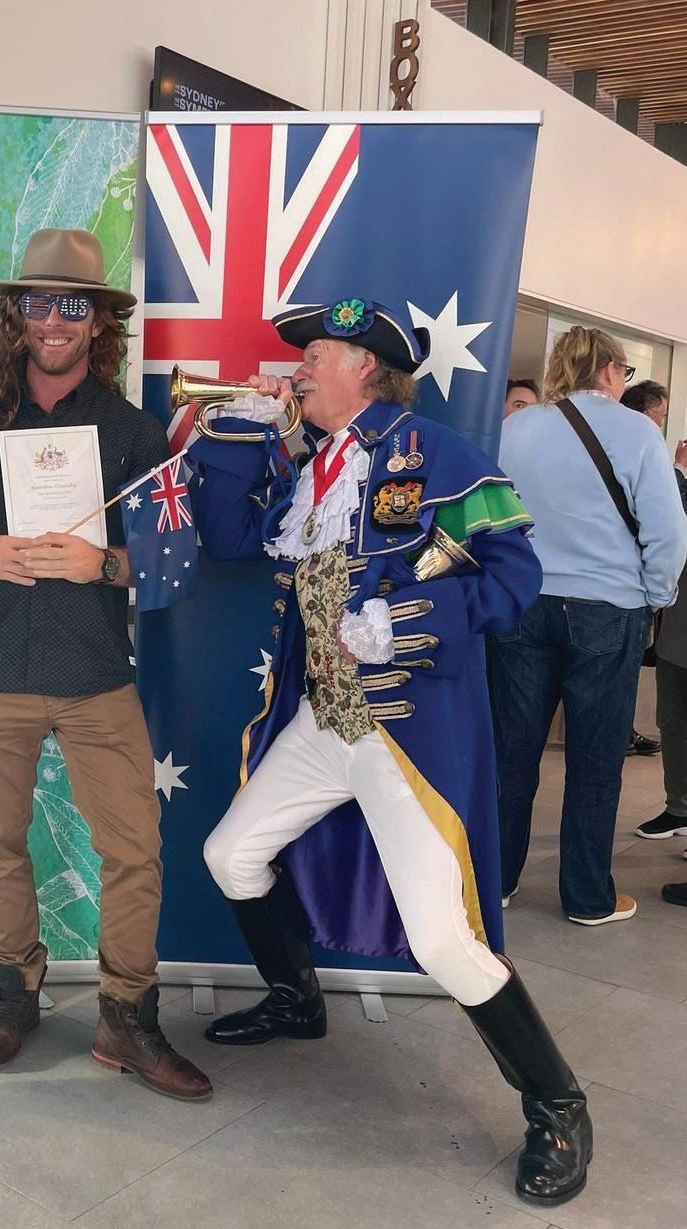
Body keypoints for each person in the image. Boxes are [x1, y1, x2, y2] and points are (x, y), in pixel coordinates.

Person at [186, 297, 592, 1209]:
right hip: (322, 718)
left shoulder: (436, 453)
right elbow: (226, 536)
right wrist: (240, 433)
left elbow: (515, 575)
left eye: (315, 355)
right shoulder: (309, 466)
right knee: (229, 854)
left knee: (443, 940)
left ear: (365, 367)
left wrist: (405, 618)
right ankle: (298, 999)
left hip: (403, 729)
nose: (297, 369)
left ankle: (557, 1103)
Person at [0, 228, 211, 1102]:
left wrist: (102, 563)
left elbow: (173, 558)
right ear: (16, 314)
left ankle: (126, 1018)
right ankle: (15, 995)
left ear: (98, 322)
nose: (54, 320)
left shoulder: (133, 432)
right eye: (38, 302)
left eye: (72, 304)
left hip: (95, 676)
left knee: (135, 852)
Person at [492, 327, 687, 925]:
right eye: (624, 372)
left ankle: (495, 882)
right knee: (596, 762)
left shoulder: (516, 429)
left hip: (524, 602)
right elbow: (668, 531)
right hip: (608, 608)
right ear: (608, 369)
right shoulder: (638, 432)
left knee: (511, 756)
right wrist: (655, 596)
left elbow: (492, 515)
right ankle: (586, 897)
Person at [622, 380, 674, 756]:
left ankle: (623, 730)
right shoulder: (642, 443)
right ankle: (621, 732)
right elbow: (669, 527)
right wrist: (658, 595)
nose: (662, 424)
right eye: (661, 415)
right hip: (625, 590)